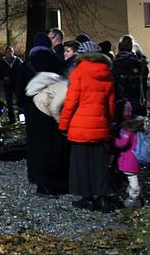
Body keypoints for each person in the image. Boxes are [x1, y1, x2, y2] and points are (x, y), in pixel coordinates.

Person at [59, 41, 115, 212]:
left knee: (81, 163)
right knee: (100, 164)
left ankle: (87, 198)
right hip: (100, 125)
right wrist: (107, 123)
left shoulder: (78, 73)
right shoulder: (107, 74)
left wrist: (63, 124)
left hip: (80, 126)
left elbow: (71, 102)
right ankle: (103, 199)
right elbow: (111, 106)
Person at [17, 32, 65, 196]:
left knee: (36, 144)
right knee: (53, 144)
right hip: (54, 109)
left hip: (34, 110)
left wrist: (22, 107)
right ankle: (55, 179)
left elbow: (20, 89)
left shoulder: (27, 64)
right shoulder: (57, 63)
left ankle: (38, 179)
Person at [112, 35, 149, 118]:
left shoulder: (114, 63)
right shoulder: (139, 63)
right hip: (138, 101)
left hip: (120, 101)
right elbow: (144, 80)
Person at [114, 117, 146, 209]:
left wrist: (113, 139)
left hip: (130, 160)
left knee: (132, 177)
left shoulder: (128, 132)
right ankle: (137, 195)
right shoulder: (141, 132)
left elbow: (121, 143)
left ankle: (133, 199)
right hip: (138, 158)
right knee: (134, 176)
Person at [0, 46, 22, 124]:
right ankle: (12, 120)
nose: (10, 53)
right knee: (9, 103)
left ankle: (22, 119)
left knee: (20, 102)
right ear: (5, 53)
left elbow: (23, 71)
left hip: (17, 84)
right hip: (8, 85)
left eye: (11, 51)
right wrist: (3, 77)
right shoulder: (2, 62)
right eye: (8, 51)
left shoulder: (18, 61)